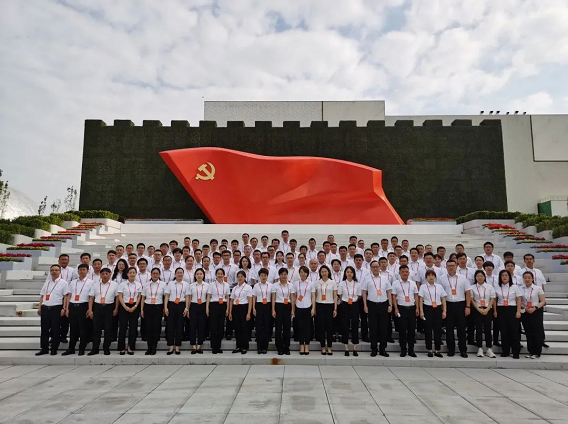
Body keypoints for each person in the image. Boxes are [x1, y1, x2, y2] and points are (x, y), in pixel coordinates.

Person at [438, 259, 470, 358]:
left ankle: (463, 350)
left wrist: (468, 306)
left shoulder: (463, 278)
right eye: (449, 266)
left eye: (453, 265)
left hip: (460, 304)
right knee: (449, 328)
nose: (451, 267)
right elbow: (439, 293)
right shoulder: (441, 278)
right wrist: (443, 308)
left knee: (461, 329)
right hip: (448, 305)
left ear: (456, 266)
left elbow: (468, 293)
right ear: (446, 267)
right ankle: (451, 349)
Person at [62, 264, 94, 356]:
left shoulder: (91, 282)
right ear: (78, 271)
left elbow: (91, 297)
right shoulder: (73, 282)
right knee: (73, 328)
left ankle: (81, 348)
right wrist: (67, 308)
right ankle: (71, 348)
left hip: (83, 306)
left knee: (83, 328)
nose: (82, 271)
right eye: (80, 269)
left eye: (84, 269)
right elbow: (69, 295)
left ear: (87, 271)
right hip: (73, 306)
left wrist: (90, 309)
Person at [362, 260, 392, 357]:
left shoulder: (385, 278)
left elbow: (389, 292)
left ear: (380, 268)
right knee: (373, 327)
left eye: (377, 266)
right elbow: (364, 293)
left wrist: (390, 305)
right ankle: (374, 348)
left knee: (383, 327)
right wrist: (365, 305)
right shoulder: (367, 279)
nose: (375, 268)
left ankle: (383, 349)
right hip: (372, 304)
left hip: (383, 304)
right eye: (373, 267)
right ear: (370, 268)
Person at [36, 264, 68, 356]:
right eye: (52, 270)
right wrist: (40, 307)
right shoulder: (47, 283)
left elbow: (66, 297)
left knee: (55, 329)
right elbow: (42, 296)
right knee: (44, 329)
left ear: (60, 272)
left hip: (56, 307)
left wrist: (64, 308)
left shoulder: (64, 283)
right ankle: (44, 348)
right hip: (45, 307)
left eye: (56, 270)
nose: (54, 272)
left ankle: (54, 348)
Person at [87, 268, 120, 356]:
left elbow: (117, 298)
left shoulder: (115, 285)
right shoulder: (95, 285)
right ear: (100, 275)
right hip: (97, 307)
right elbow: (91, 298)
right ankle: (95, 348)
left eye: (106, 274)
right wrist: (90, 310)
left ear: (110, 274)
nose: (105, 275)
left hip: (109, 307)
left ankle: (106, 348)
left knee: (108, 329)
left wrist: (116, 309)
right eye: (103, 274)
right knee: (96, 329)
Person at [419, 270, 447, 357]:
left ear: (435, 277)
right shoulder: (423, 287)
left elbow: (443, 299)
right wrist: (421, 311)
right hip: (427, 308)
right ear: (426, 277)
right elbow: (420, 300)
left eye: (432, 275)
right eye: (429, 275)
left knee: (437, 329)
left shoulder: (439, 286)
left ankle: (437, 349)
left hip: (437, 308)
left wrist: (444, 311)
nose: (431, 277)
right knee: (428, 329)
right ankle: (429, 349)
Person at [468, 270, 497, 358]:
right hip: (477, 310)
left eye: (481, 276)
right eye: (478, 276)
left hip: (488, 309)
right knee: (478, 329)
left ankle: (489, 348)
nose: (480, 278)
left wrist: (487, 309)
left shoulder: (489, 287)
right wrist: (478, 309)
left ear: (484, 277)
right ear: (475, 278)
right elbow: (471, 299)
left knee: (488, 329)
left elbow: (492, 298)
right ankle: (479, 348)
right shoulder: (472, 287)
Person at [392, 265, 419, 357]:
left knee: (412, 330)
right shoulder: (395, 283)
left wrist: (417, 308)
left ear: (409, 273)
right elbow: (393, 296)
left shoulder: (413, 283)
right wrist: (396, 309)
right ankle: (403, 349)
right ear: (399, 273)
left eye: (406, 272)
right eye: (403, 272)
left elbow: (416, 296)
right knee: (402, 331)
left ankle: (411, 350)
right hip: (401, 308)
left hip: (411, 308)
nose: (405, 273)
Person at [494, 269, 522, 358]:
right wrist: (495, 311)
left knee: (514, 331)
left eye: (506, 275)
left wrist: (518, 311)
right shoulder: (497, 287)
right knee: (503, 331)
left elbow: (519, 299)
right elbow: (494, 300)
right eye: (502, 275)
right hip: (501, 309)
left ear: (509, 277)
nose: (504, 277)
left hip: (512, 309)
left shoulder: (515, 287)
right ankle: (505, 351)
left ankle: (515, 352)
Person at [140, 268, 167, 355]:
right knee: (148, 327)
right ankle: (149, 347)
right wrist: (142, 309)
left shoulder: (163, 284)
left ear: (159, 275)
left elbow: (165, 297)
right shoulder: (146, 284)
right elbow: (143, 298)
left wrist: (164, 308)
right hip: (148, 306)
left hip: (158, 306)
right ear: (151, 274)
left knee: (156, 327)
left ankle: (154, 346)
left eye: (156, 273)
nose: (155, 275)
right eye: (153, 273)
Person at [520, 271, 546, 359]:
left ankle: (537, 352)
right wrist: (525, 307)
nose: (527, 279)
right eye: (525, 278)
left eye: (529, 278)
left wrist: (535, 308)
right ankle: (531, 351)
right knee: (528, 332)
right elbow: (519, 301)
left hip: (536, 311)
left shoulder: (538, 288)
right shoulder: (520, 288)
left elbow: (543, 301)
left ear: (532, 279)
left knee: (537, 332)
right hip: (525, 311)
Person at [164, 268, 190, 355]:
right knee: (170, 326)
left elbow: (187, 297)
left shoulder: (186, 284)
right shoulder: (170, 284)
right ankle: (171, 346)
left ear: (183, 274)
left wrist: (186, 308)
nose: (179, 274)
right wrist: (165, 307)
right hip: (171, 305)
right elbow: (167, 295)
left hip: (181, 305)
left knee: (180, 326)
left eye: (181, 273)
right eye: (178, 273)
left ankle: (178, 346)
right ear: (175, 274)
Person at [117, 266, 141, 355]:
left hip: (134, 306)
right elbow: (120, 296)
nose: (132, 274)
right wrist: (125, 306)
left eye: (133, 273)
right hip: (124, 306)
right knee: (122, 327)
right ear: (127, 274)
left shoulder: (138, 284)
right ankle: (122, 348)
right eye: (130, 273)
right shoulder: (122, 284)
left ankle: (131, 347)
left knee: (133, 328)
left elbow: (139, 297)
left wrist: (135, 306)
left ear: (136, 274)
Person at [272, 268, 296, 355]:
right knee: (278, 328)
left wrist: (293, 309)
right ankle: (279, 347)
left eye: (285, 274)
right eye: (282, 274)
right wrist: (273, 309)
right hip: (278, 306)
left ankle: (286, 347)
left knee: (287, 328)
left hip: (287, 306)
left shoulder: (291, 285)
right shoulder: (275, 285)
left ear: (287, 275)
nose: (283, 276)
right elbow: (273, 298)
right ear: (279, 275)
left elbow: (292, 298)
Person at [337, 266, 361, 356]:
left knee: (355, 325)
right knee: (345, 326)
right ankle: (346, 348)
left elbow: (359, 296)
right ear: (345, 273)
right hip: (345, 305)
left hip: (354, 305)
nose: (349, 274)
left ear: (353, 273)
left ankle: (355, 348)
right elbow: (340, 295)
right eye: (348, 272)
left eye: (351, 272)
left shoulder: (357, 284)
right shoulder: (342, 283)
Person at [206, 268, 231, 354]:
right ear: (216, 275)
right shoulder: (211, 285)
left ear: (223, 275)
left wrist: (227, 309)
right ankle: (213, 346)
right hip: (214, 305)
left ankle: (218, 346)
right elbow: (208, 296)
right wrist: (207, 308)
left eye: (221, 274)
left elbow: (227, 297)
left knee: (220, 327)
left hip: (223, 305)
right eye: (218, 274)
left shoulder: (226, 285)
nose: (220, 275)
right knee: (213, 326)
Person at [228, 270, 253, 354]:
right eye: (238, 277)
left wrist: (249, 313)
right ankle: (238, 346)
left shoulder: (248, 287)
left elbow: (250, 301)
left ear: (245, 278)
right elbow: (231, 300)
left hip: (244, 307)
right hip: (236, 308)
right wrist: (230, 312)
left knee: (244, 328)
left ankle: (244, 346)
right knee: (237, 328)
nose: (240, 278)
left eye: (241, 276)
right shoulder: (235, 288)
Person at [293, 266, 316, 355]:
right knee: (300, 327)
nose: (303, 274)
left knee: (307, 327)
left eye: (305, 272)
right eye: (301, 272)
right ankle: (301, 345)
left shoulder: (311, 284)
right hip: (298, 306)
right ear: (299, 273)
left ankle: (307, 344)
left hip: (308, 306)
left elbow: (313, 296)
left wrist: (313, 308)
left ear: (307, 274)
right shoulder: (296, 284)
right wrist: (293, 309)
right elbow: (294, 296)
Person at [252, 268, 272, 354]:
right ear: (259, 276)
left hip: (268, 305)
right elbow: (254, 297)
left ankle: (265, 347)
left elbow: (273, 297)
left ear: (267, 276)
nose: (263, 277)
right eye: (262, 275)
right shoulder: (256, 286)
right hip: (259, 305)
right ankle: (259, 347)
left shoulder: (271, 286)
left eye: (265, 275)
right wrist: (253, 308)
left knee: (267, 326)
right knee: (259, 327)